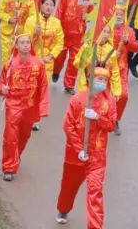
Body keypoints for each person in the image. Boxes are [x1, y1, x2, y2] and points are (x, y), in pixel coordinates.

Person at [55, 66, 117, 227]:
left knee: (95, 192)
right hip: (75, 155)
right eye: (99, 79)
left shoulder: (109, 101)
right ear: (89, 79)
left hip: (97, 157)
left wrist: (98, 117)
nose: (102, 83)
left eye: (105, 80)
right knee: (69, 185)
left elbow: (111, 125)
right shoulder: (77, 99)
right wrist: (79, 149)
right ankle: (63, 208)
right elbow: (67, 126)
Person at [0, 33, 47, 181]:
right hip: (13, 105)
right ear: (17, 46)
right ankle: (8, 167)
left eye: (28, 42)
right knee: (10, 136)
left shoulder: (39, 64)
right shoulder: (10, 64)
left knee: (24, 136)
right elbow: (0, 82)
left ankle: (15, 156)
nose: (26, 45)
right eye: (22, 43)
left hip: (30, 106)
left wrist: (43, 107)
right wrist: (2, 89)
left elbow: (43, 86)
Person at [23, 0, 64, 127]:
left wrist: (51, 55)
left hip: (47, 63)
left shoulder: (57, 23)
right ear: (41, 5)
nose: (48, 7)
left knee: (41, 90)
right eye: (46, 4)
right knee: (30, 89)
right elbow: (25, 41)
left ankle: (36, 118)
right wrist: (34, 33)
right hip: (33, 60)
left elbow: (60, 43)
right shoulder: (31, 20)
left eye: (51, 5)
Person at [55, 0, 91, 93]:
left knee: (74, 62)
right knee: (59, 57)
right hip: (64, 33)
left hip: (79, 36)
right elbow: (59, 12)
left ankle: (69, 85)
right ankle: (56, 71)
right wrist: (56, 28)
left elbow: (92, 14)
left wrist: (88, 16)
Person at [111, 5, 138, 135]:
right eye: (116, 14)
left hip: (121, 68)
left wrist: (127, 42)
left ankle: (115, 119)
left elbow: (136, 48)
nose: (118, 17)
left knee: (123, 95)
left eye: (121, 15)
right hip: (105, 66)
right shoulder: (106, 27)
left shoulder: (128, 31)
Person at [0, 0, 36, 65]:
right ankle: (5, 75)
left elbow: (33, 17)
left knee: (18, 57)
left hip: (21, 34)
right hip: (7, 32)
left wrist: (28, 24)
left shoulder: (30, 1)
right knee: (6, 55)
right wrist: (8, 19)